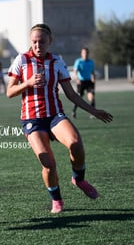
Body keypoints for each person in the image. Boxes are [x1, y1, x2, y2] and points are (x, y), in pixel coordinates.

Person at [6, 24, 113, 214]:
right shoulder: (21, 60)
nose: (38, 45)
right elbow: (9, 92)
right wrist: (28, 83)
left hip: (55, 115)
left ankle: (78, 179)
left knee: (76, 143)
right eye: (34, 42)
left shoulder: (57, 61)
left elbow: (71, 94)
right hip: (32, 119)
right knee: (48, 164)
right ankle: (57, 200)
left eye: (42, 41)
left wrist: (93, 110)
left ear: (50, 41)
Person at [72, 47, 96, 119]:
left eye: (87, 53)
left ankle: (93, 113)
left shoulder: (91, 62)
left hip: (89, 82)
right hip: (81, 82)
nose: (85, 54)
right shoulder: (78, 62)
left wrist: (93, 78)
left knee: (91, 97)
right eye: (84, 53)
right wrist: (77, 78)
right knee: (79, 98)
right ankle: (74, 111)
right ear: (81, 54)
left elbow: (92, 72)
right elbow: (75, 71)